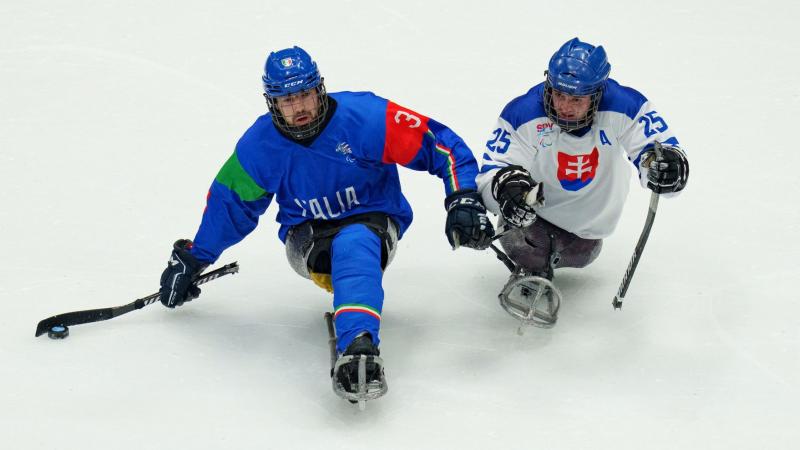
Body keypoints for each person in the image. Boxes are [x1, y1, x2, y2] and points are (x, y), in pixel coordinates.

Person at [157, 46, 494, 404]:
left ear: (319, 89)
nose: (299, 107)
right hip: (308, 240)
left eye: (304, 94)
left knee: (355, 243)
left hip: (374, 222)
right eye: (287, 100)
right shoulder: (258, 147)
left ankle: (358, 343)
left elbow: (442, 147)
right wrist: (195, 258)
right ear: (272, 103)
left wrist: (462, 197)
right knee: (350, 248)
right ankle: (356, 319)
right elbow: (229, 206)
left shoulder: (366, 118)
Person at [477, 37, 688, 327]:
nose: (564, 106)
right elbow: (491, 173)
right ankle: (533, 264)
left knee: (582, 253)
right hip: (535, 216)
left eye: (576, 99)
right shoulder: (523, 112)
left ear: (598, 93)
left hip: (587, 232)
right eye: (559, 94)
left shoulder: (626, 106)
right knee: (519, 236)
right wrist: (506, 188)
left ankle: (552, 256)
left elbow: (659, 151)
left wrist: (664, 169)